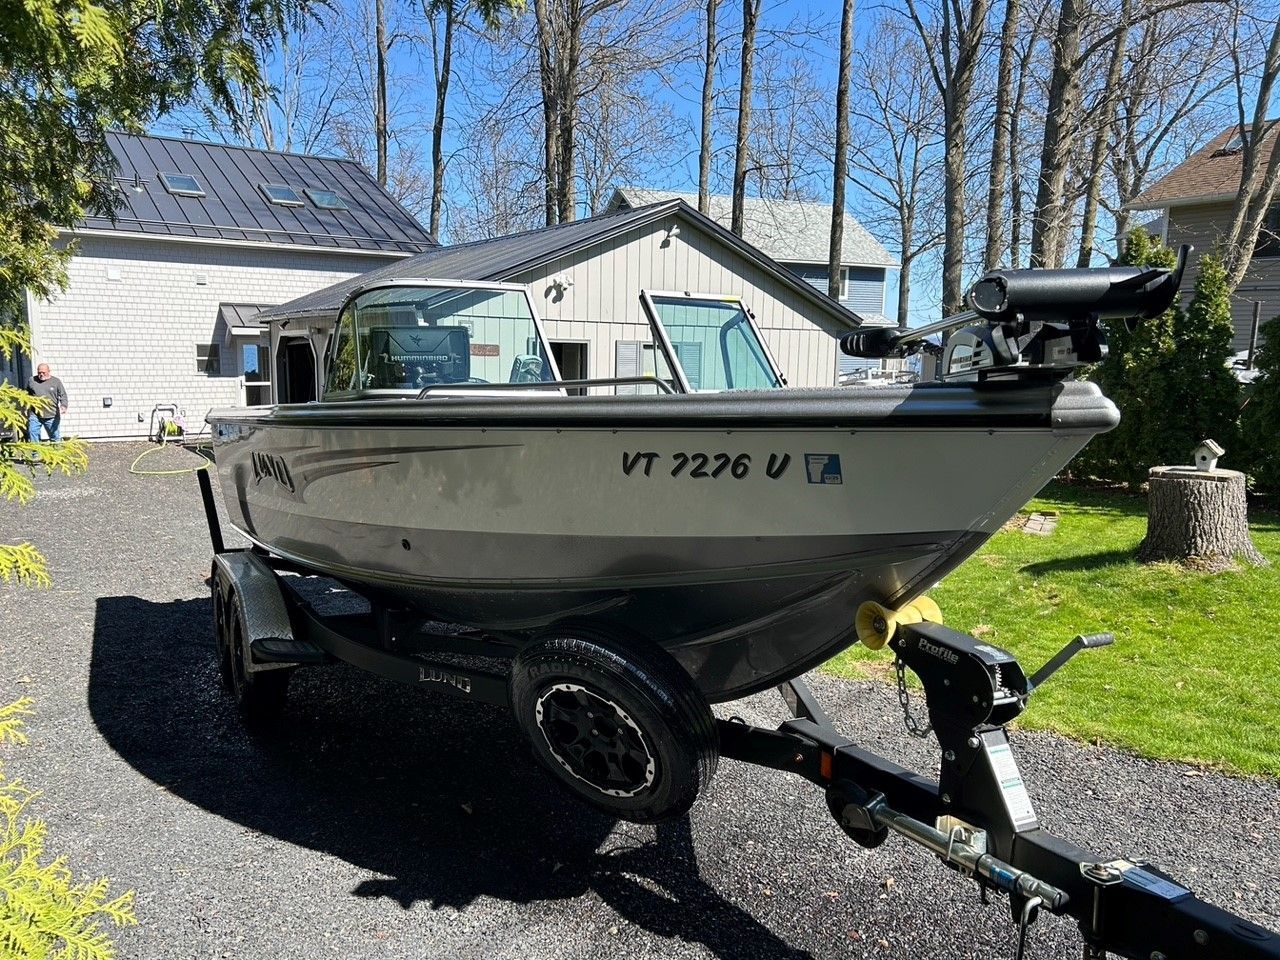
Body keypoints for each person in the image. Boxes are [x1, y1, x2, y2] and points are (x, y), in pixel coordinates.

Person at [26, 362, 69, 442]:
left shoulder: (56, 382)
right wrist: (25, 408)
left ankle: (56, 453)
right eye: (39, 372)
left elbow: (63, 395)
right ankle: (36, 454)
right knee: (33, 433)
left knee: (55, 437)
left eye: (43, 372)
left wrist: (63, 406)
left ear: (49, 371)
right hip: (35, 415)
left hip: (51, 415)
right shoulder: (32, 380)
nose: (41, 374)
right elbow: (26, 395)